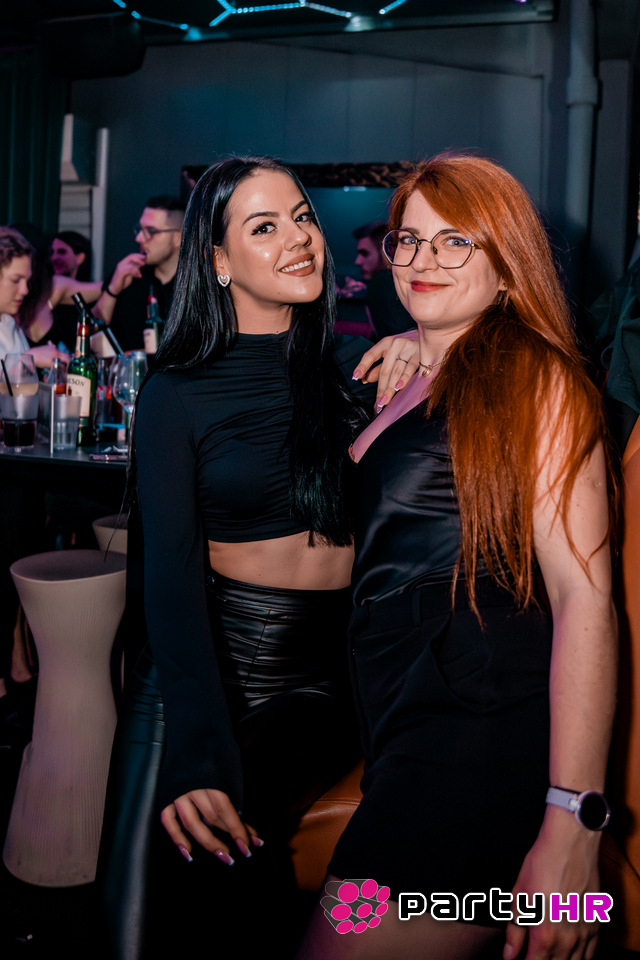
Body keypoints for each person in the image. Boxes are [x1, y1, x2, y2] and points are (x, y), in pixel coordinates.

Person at [295, 153, 618, 960]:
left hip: (473, 742)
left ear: (507, 261)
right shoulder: (418, 369)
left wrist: (573, 821)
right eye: (409, 240)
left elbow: (584, 598)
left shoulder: (538, 377)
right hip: (403, 726)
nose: (423, 260)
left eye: (455, 242)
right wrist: (421, 341)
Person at [97, 156, 419, 959]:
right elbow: (170, 581)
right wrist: (198, 747)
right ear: (217, 259)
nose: (299, 238)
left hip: (322, 678)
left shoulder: (354, 370)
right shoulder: (176, 391)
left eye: (302, 218)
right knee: (136, 921)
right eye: (265, 226)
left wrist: (424, 339)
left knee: (228, 869)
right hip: (198, 667)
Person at [92, 194, 186, 352]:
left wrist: (136, 356)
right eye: (140, 229)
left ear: (179, 237)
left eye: (151, 231)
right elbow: (90, 340)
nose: (139, 238)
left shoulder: (196, 285)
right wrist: (112, 290)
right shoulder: (129, 276)